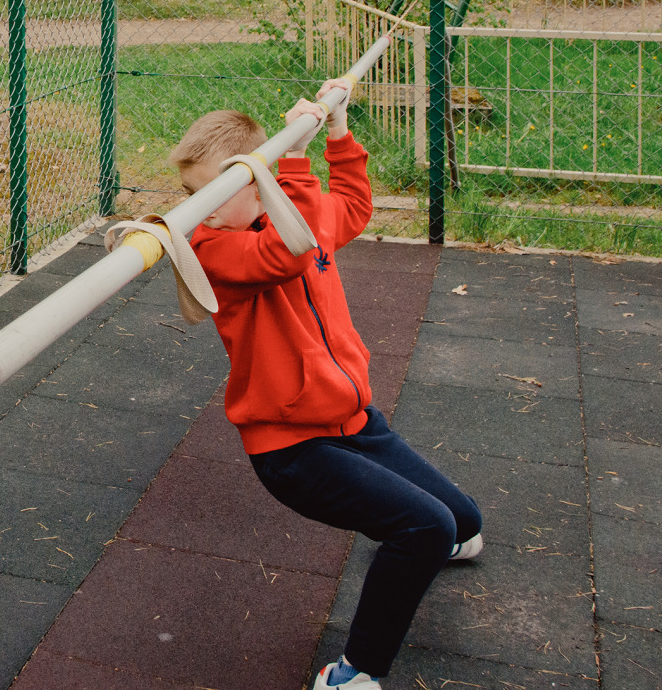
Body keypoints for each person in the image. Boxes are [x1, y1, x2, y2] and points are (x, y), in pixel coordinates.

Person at [168, 81, 483, 690]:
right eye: (191, 191)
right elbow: (291, 248)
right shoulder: (211, 246)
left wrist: (336, 132)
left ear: (256, 186)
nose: (198, 205)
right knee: (426, 527)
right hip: (292, 448)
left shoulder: (297, 212)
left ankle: (419, 540)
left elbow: (353, 208)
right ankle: (351, 673)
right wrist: (292, 161)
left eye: (218, 188)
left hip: (355, 422)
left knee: (461, 525)